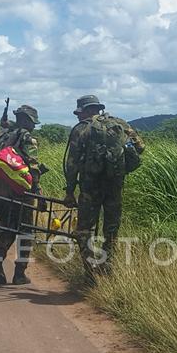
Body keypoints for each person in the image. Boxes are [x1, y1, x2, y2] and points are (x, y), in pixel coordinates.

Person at [63, 95, 144, 275]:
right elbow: (140, 147)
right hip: (114, 186)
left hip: (90, 188)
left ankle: (90, 269)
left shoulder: (81, 129)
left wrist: (69, 192)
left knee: (83, 230)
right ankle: (107, 267)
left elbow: (72, 164)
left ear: (87, 110)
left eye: (79, 112)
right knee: (111, 230)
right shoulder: (120, 124)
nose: (77, 116)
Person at [0, 104, 42, 285]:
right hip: (21, 191)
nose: (34, 126)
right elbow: (33, 167)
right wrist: (37, 191)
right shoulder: (27, 138)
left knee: (6, 228)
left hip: (0, 189)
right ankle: (19, 273)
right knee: (25, 231)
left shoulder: (2, 136)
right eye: (33, 122)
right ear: (26, 121)